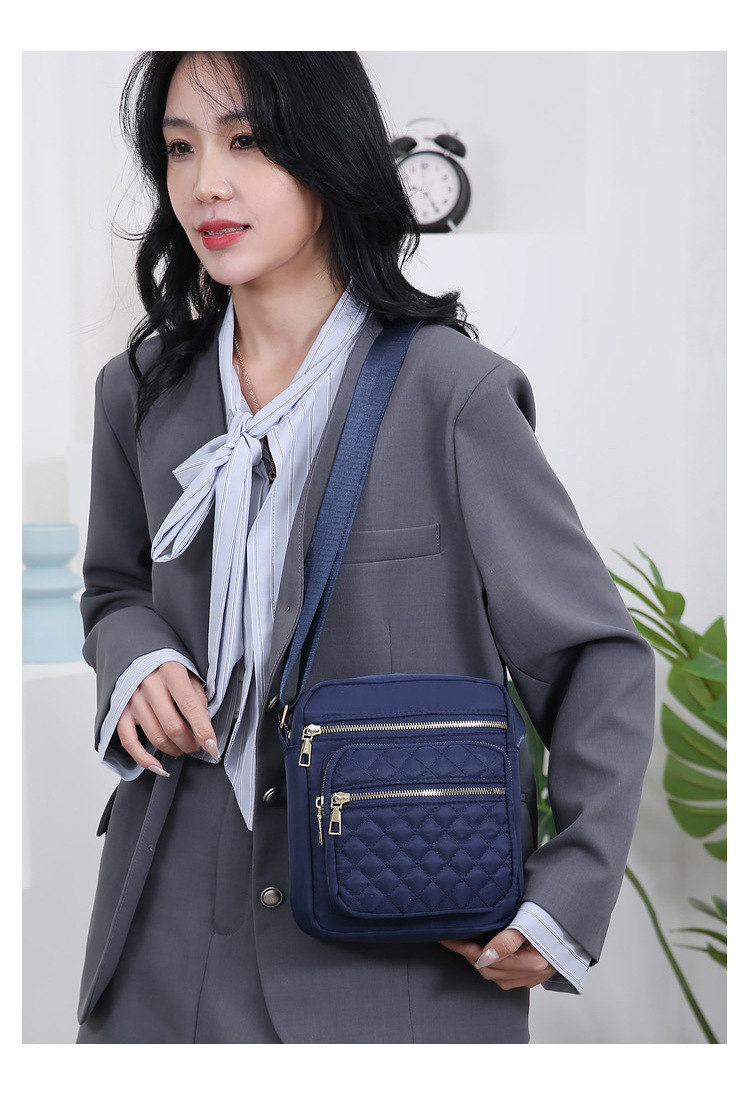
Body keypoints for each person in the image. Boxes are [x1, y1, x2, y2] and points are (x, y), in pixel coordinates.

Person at [76, 51, 655, 1045]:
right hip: (161, 946)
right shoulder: (138, 392)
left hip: (392, 962)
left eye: (246, 141)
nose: (206, 182)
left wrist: (565, 897)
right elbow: (112, 588)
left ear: (329, 151)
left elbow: (597, 659)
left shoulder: (453, 394)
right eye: (179, 148)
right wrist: (134, 656)